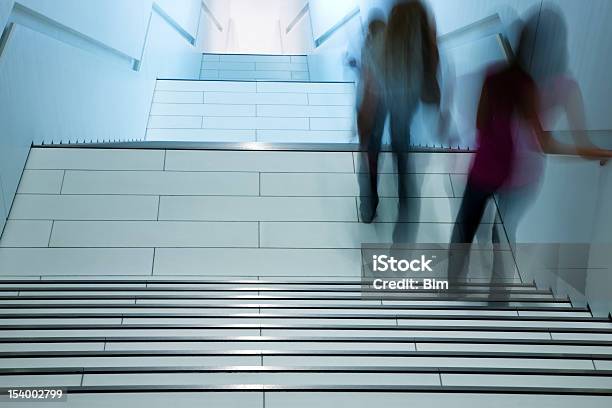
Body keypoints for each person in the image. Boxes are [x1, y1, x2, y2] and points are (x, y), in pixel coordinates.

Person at [448, 5, 612, 289]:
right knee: (504, 233)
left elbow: (479, 123)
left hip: (486, 167)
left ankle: (451, 286)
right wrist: (602, 152)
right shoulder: (565, 87)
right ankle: (499, 299)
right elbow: (554, 144)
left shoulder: (498, 76)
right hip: (523, 176)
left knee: (465, 227)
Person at [358, 1, 440, 228]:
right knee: (402, 155)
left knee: (372, 148)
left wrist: (362, 132)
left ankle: (368, 206)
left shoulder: (377, 44)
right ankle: (403, 234)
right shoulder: (424, 50)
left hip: (379, 104)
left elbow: (368, 100)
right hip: (404, 108)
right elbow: (431, 88)